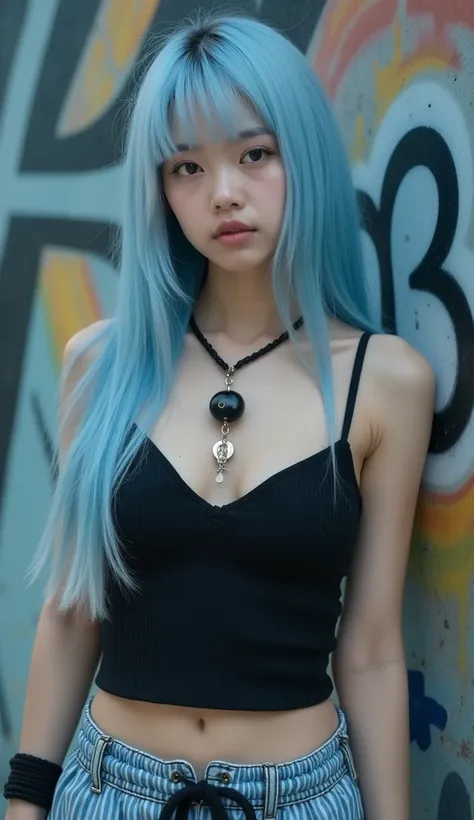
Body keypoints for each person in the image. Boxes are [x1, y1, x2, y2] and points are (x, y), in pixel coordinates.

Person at [4, 11, 435, 820]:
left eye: (254, 154)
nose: (224, 193)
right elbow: (70, 610)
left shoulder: (385, 382)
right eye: (186, 168)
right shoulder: (100, 366)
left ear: (300, 153)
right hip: (108, 792)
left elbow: (372, 647)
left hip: (297, 798)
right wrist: (25, 802)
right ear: (158, 187)